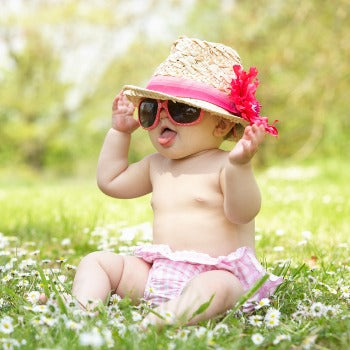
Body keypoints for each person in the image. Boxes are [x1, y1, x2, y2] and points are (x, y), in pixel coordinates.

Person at [71, 37, 283, 327]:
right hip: (158, 274)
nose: (161, 120)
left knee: (217, 288)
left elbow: (243, 212)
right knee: (96, 261)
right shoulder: (156, 165)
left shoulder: (225, 165)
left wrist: (240, 166)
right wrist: (119, 134)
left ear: (221, 125)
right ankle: (84, 312)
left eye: (182, 111)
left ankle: (164, 319)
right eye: (150, 111)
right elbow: (111, 181)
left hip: (217, 273)